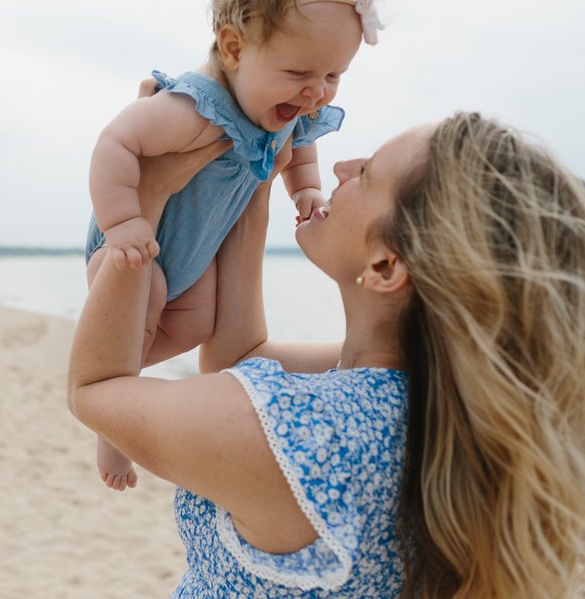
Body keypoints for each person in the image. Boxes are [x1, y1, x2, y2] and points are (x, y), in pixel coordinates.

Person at [68, 112, 585, 597]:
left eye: (370, 174)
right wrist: (258, 174)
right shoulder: (428, 396)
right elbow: (243, 354)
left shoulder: (304, 435)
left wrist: (147, 200)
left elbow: (95, 389)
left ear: (385, 266)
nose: (341, 166)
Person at [85, 0, 384, 490]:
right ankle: (117, 406)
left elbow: (301, 145)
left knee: (199, 322)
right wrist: (125, 220)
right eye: (301, 74)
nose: (318, 92)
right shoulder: (193, 108)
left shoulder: (286, 110)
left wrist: (305, 191)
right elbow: (115, 143)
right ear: (233, 48)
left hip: (191, 258)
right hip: (131, 247)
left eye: (334, 76)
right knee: (146, 296)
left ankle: (122, 366)